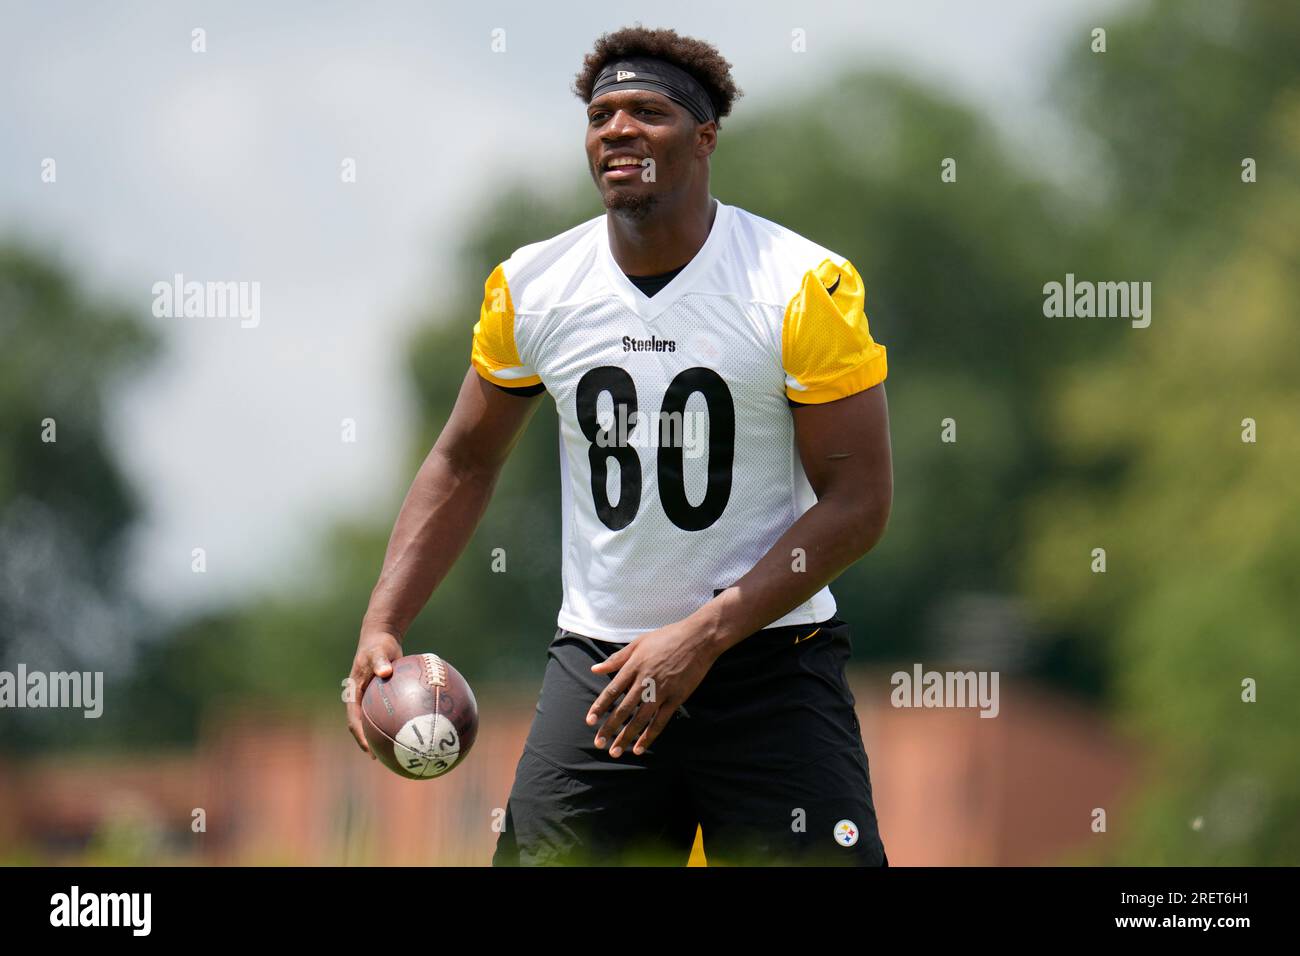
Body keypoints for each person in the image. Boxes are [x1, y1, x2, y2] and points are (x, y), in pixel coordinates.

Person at [346, 25, 893, 866]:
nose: (618, 130)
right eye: (602, 115)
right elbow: (464, 458)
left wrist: (705, 635)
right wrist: (384, 619)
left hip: (770, 669)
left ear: (706, 135)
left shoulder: (799, 284)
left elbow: (858, 505)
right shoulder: (534, 287)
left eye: (649, 111)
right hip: (603, 675)